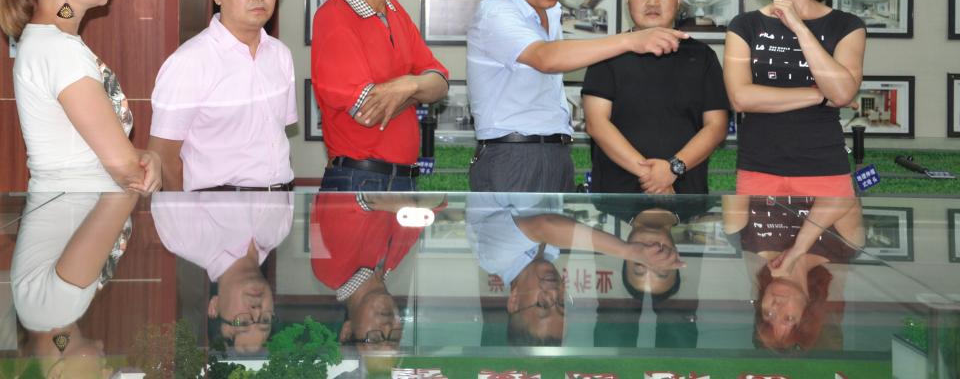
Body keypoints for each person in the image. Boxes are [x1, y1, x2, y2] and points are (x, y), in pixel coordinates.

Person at [466, 0, 687, 192]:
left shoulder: (550, 11)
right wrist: (631, 41)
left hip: (554, 153)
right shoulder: (496, 13)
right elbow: (545, 58)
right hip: (512, 155)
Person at [0, 0, 160, 194]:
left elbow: (85, 153)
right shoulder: (61, 50)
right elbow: (123, 167)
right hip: (77, 210)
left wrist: (145, 156)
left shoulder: (52, 38)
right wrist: (144, 162)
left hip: (73, 205)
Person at [724, 0, 866, 197]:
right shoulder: (744, 25)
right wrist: (818, 96)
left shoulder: (847, 26)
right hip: (758, 169)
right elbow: (741, 98)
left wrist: (799, 27)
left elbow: (841, 92)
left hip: (825, 168)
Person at [311, 0, 449, 191]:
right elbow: (368, 112)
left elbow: (440, 83)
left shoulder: (395, 11)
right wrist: (417, 89)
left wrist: (406, 85)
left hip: (402, 180)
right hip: (359, 180)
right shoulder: (333, 17)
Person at [148, 0, 297, 191]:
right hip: (217, 205)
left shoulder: (280, 55)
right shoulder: (189, 62)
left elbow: (274, 137)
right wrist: (183, 211)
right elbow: (163, 157)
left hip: (279, 202)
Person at [582, 0, 729, 195]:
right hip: (616, 197)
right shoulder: (607, 53)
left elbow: (716, 126)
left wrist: (672, 169)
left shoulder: (703, 56)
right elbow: (596, 123)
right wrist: (652, 177)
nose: (652, 2)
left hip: (684, 194)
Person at [465, 193, 684, 346]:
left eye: (543, 304)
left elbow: (545, 225)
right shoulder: (551, 251)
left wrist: (630, 251)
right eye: (561, 304)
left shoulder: (493, 258)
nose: (554, 292)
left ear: (514, 301)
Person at [10, 191, 137, 378]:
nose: (107, 373)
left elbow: (124, 195)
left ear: (57, 374)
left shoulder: (61, 307)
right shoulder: (40, 313)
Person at [151, 192, 294, 354]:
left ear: (215, 306)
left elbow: (166, 176)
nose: (256, 310)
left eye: (242, 323)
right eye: (265, 320)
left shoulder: (183, 239)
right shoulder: (279, 230)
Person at [722, 194, 863, 351]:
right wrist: (799, 248)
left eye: (768, 315)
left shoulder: (743, 239)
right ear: (808, 310)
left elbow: (734, 186)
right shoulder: (844, 248)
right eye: (788, 318)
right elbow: (844, 192)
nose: (776, 307)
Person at [309, 192, 444, 349]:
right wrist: (416, 205)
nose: (387, 327)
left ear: (347, 331)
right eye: (394, 338)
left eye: (374, 338)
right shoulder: (392, 262)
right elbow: (435, 200)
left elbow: (352, 193)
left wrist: (406, 205)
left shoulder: (329, 271)